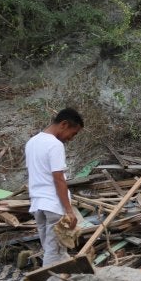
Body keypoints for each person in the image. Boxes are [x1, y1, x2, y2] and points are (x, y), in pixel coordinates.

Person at [25, 108, 84, 266]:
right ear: (64, 124)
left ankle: (64, 280)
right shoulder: (55, 144)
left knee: (53, 249)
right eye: (73, 133)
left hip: (37, 204)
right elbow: (58, 179)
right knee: (54, 251)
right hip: (53, 205)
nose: (71, 138)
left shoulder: (32, 142)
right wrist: (69, 211)